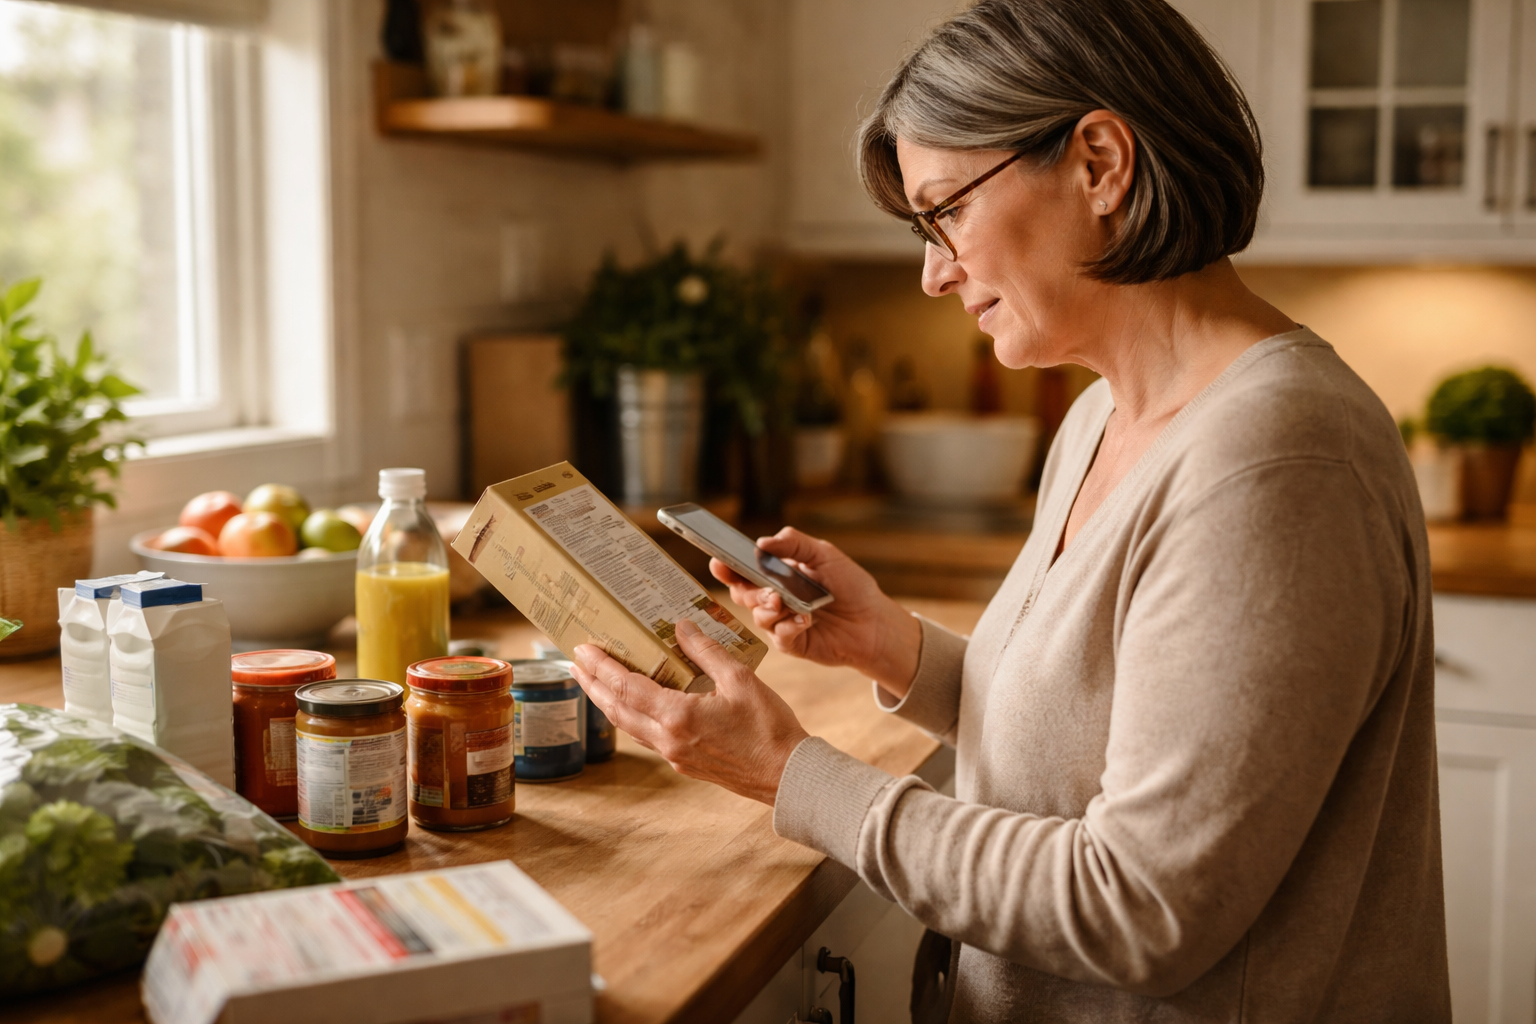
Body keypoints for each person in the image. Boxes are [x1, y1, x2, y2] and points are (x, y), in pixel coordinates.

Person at [569, 0, 1451, 1019]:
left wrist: (788, 773)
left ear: (1100, 164)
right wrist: (898, 648)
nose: (933, 272)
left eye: (946, 211)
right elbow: (1107, 730)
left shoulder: (1280, 460)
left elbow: (1142, 905)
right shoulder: (1098, 418)